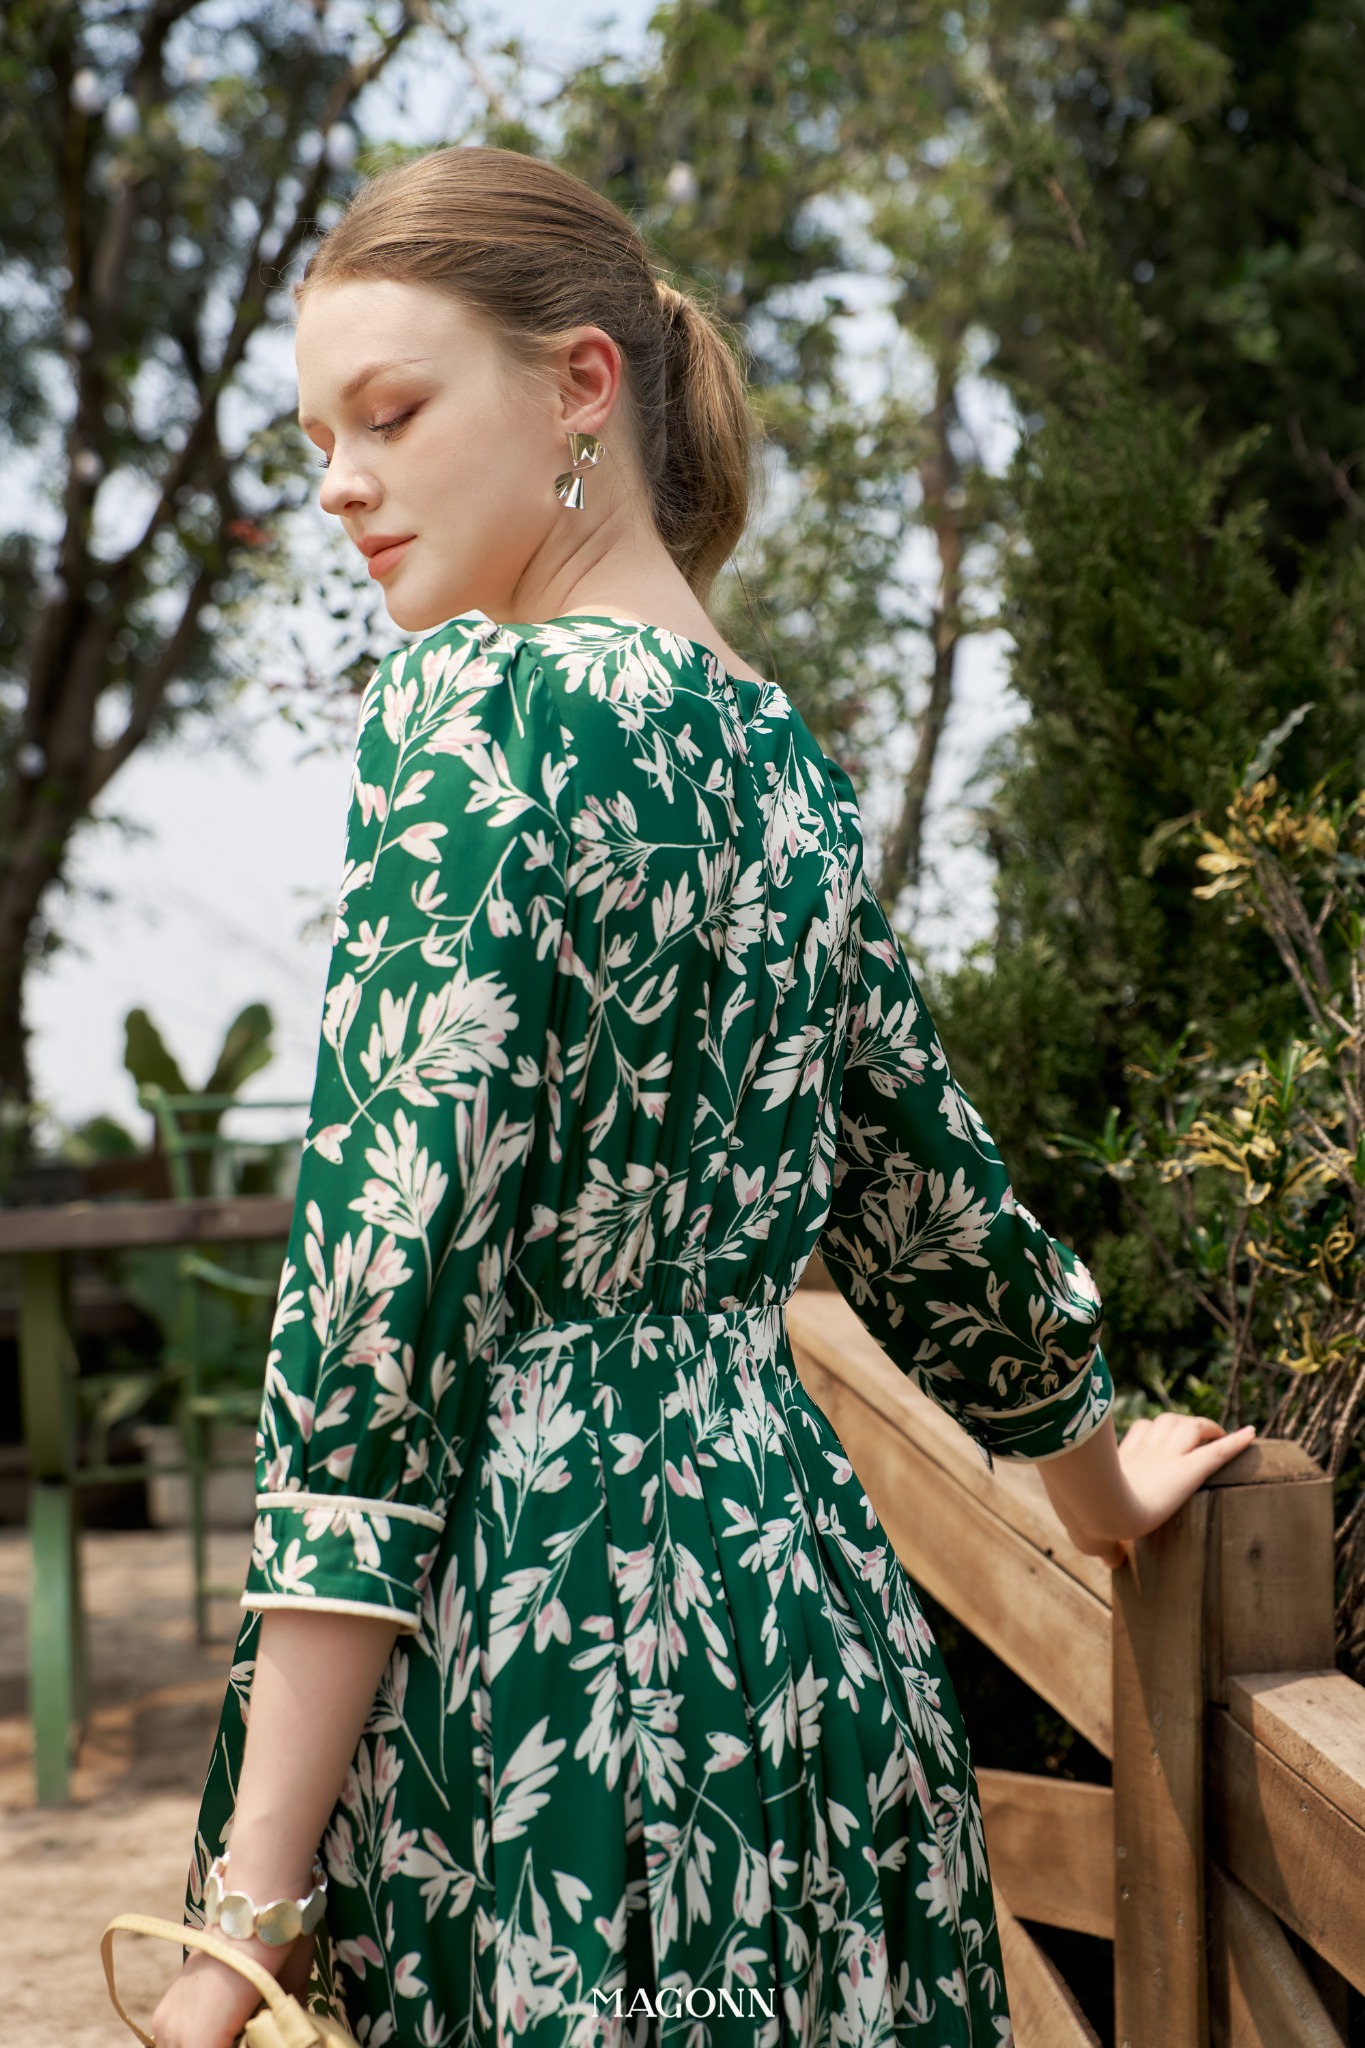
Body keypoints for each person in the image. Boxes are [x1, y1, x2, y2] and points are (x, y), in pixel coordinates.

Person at [150, 144, 1255, 2048]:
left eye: (389, 415)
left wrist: (241, 1926)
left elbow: (375, 1309)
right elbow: (920, 1183)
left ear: (581, 385)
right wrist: (1092, 1481)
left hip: (544, 1665)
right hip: (802, 1642)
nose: (338, 483)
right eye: (319, 438)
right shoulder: (781, 758)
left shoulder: (472, 715)